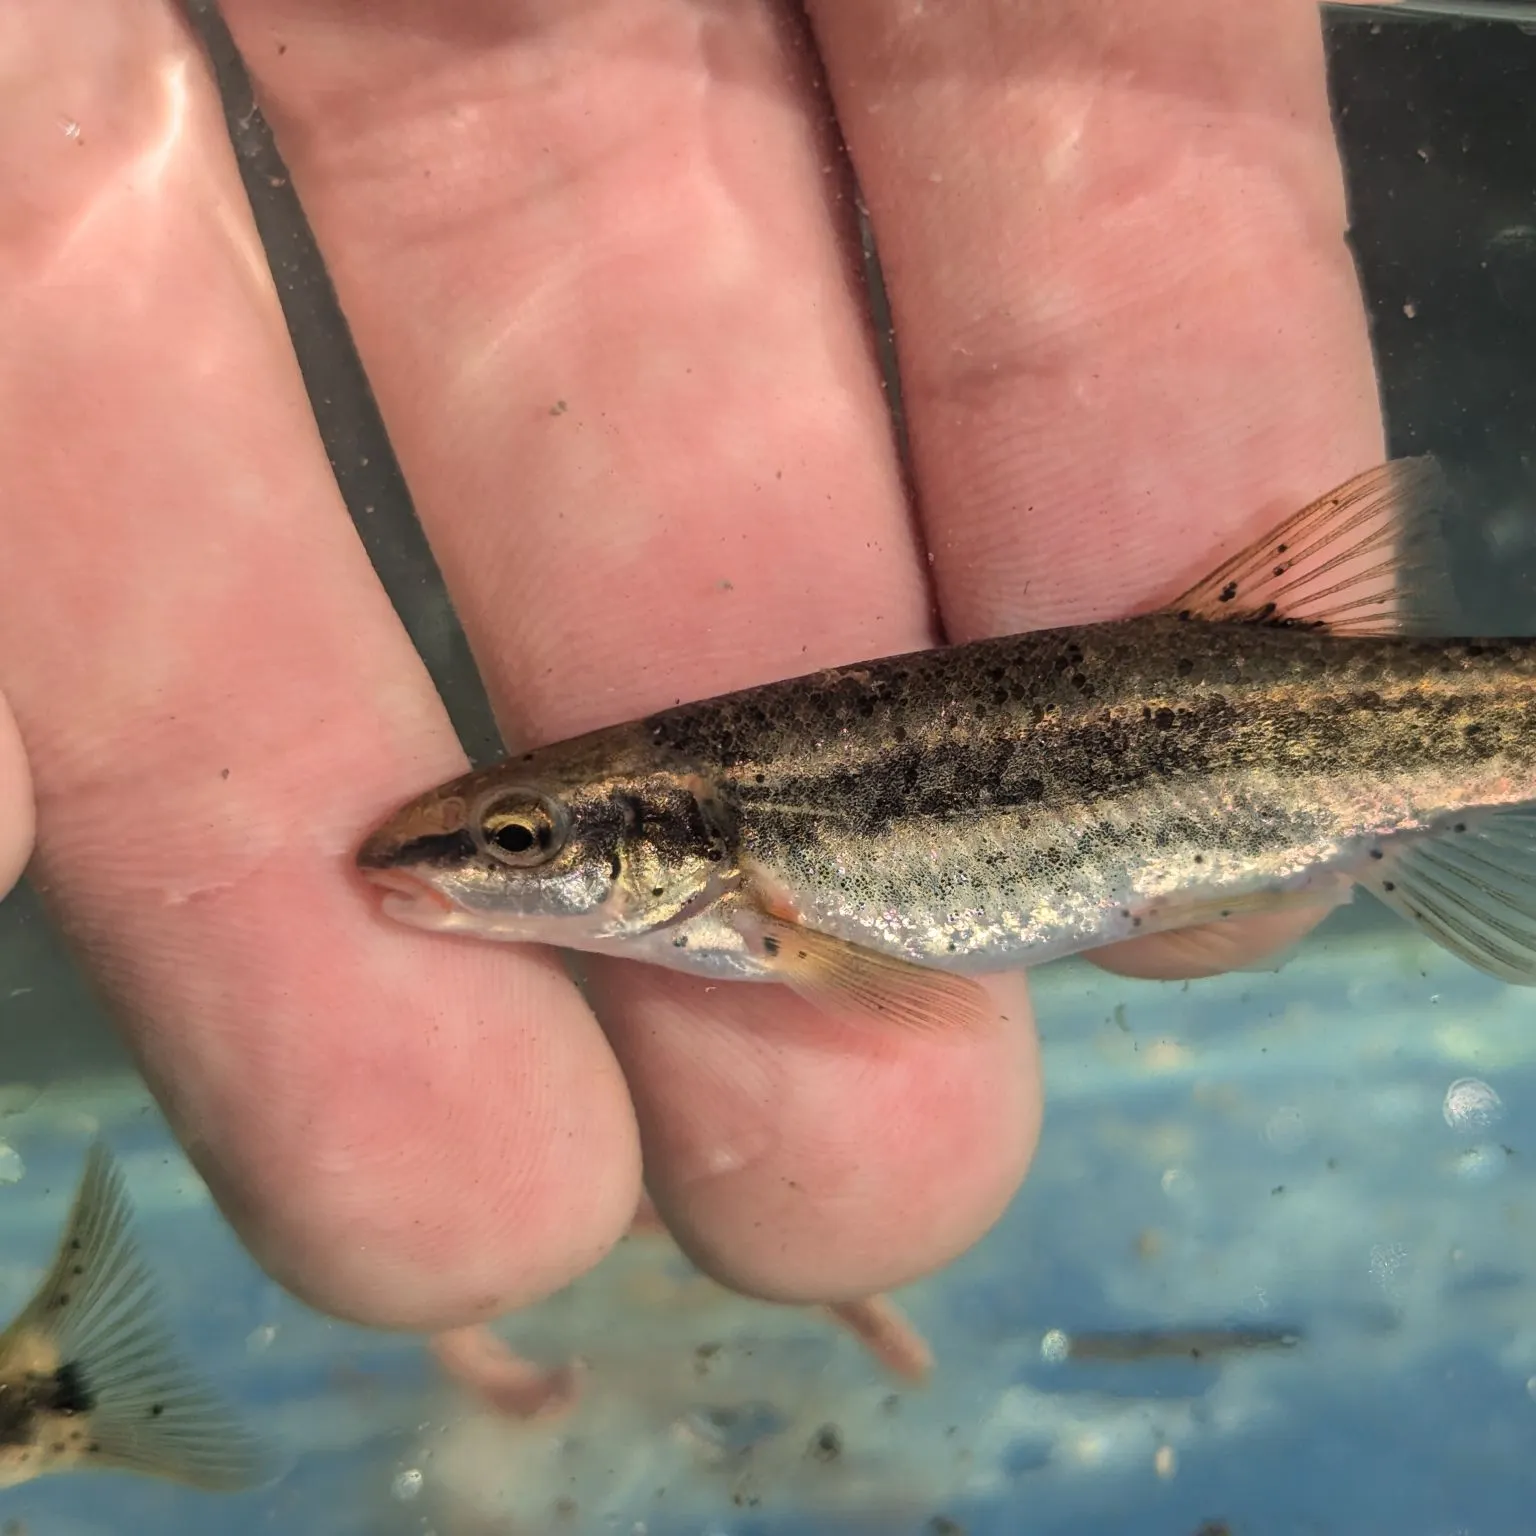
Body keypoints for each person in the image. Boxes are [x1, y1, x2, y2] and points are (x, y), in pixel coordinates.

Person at [0, 0, 1382, 1335]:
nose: (484, 862)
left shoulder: (758, 906)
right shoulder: (736, 897)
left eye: (522, 839)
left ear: (667, 837)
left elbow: (902, 989)